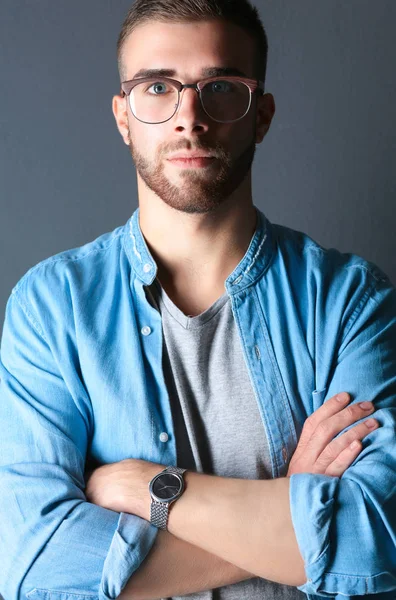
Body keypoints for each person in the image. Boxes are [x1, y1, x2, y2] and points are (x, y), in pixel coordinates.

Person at [0, 1, 395, 599]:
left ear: (260, 115)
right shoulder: (52, 307)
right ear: (123, 117)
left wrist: (150, 488)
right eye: (157, 87)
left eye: (220, 88)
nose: (189, 118)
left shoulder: (349, 300)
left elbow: (376, 542)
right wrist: (287, 512)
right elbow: (35, 566)